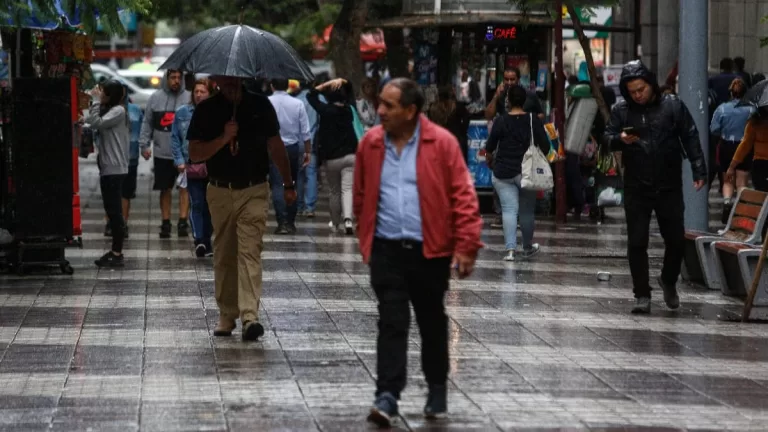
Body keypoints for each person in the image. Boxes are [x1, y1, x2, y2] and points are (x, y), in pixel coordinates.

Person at [354, 78, 483, 427]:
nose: (380, 110)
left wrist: (466, 246)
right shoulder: (370, 144)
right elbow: (362, 194)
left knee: (431, 321)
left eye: (389, 105)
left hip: (430, 251)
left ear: (411, 111)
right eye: (380, 103)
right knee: (391, 322)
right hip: (386, 249)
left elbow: (463, 195)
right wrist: (366, 240)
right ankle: (388, 394)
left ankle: (437, 387)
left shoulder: (441, 143)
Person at [187, 76, 296, 341]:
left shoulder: (260, 105)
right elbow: (195, 153)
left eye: (235, 80)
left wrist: (288, 182)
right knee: (224, 252)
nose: (231, 84)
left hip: (254, 189)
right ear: (216, 81)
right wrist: (224, 138)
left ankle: (250, 317)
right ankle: (227, 314)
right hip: (220, 190)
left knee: (250, 251)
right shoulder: (206, 109)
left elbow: (275, 144)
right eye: (225, 80)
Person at [604, 60, 707, 315]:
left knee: (675, 239)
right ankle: (641, 294)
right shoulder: (622, 111)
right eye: (632, 92)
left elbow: (690, 135)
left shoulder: (672, 106)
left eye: (641, 89)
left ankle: (668, 279)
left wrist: (699, 169)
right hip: (637, 185)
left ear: (650, 84)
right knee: (637, 241)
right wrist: (619, 139)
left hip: (668, 184)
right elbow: (606, 137)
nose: (638, 95)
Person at [486, 85, 550, 261]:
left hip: (503, 173)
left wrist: (489, 158)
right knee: (527, 212)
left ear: (508, 100)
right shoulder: (533, 120)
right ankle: (527, 247)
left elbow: (489, 147)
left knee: (508, 210)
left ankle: (510, 250)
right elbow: (545, 146)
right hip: (526, 173)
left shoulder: (500, 121)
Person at [139, 69, 191, 239]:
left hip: (184, 153)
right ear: (166, 79)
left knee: (184, 187)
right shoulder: (155, 98)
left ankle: (183, 221)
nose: (176, 80)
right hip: (162, 152)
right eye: (173, 77)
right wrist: (144, 145)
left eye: (179, 77)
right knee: (164, 188)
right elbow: (147, 122)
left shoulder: (189, 98)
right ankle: (166, 222)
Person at [85, 80, 130, 268]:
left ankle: (117, 252)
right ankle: (115, 250)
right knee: (111, 211)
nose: (99, 93)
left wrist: (95, 101)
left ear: (110, 94)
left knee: (114, 212)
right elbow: (91, 121)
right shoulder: (111, 110)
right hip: (108, 167)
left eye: (102, 91)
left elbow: (96, 122)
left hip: (114, 168)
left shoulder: (119, 111)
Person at [171, 77, 216, 257]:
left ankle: (207, 239)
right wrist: (179, 160)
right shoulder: (182, 113)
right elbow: (175, 138)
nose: (198, 95)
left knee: (210, 205)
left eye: (202, 92)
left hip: (212, 166)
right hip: (192, 165)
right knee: (196, 202)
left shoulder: (216, 113)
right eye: (196, 92)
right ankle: (199, 240)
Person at [308, 78, 359, 235]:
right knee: (347, 189)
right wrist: (342, 81)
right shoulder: (349, 110)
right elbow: (350, 91)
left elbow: (311, 95)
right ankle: (348, 219)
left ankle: (336, 223)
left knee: (335, 191)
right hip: (350, 155)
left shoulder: (325, 110)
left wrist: (325, 85)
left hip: (332, 158)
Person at [268, 78, 311, 234]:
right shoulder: (297, 103)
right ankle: (291, 221)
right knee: (292, 183)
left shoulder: (267, 102)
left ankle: (281, 221)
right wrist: (308, 151)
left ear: (272, 85)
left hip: (273, 148)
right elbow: (305, 131)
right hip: (293, 147)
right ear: (288, 86)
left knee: (278, 184)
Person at [711, 78, 754, 223]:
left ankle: (727, 202)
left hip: (726, 145)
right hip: (744, 146)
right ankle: (741, 208)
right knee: (742, 181)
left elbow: (714, 129)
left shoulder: (722, 108)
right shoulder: (751, 109)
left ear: (730, 92)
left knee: (727, 178)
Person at [294, 80, 321, 218]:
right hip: (312, 141)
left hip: (298, 141)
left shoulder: (296, 101)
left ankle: (298, 205)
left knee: (299, 175)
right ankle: (309, 207)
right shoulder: (319, 99)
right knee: (311, 174)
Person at [727, 106, 768, 192]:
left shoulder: (754, 123)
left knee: (762, 192)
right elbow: (744, 146)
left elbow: (745, 146)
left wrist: (732, 166)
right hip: (760, 164)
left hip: (760, 164)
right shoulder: (754, 124)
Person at [428, 85, 471, 162]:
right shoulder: (456, 106)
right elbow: (467, 117)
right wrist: (462, 131)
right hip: (456, 139)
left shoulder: (433, 107)